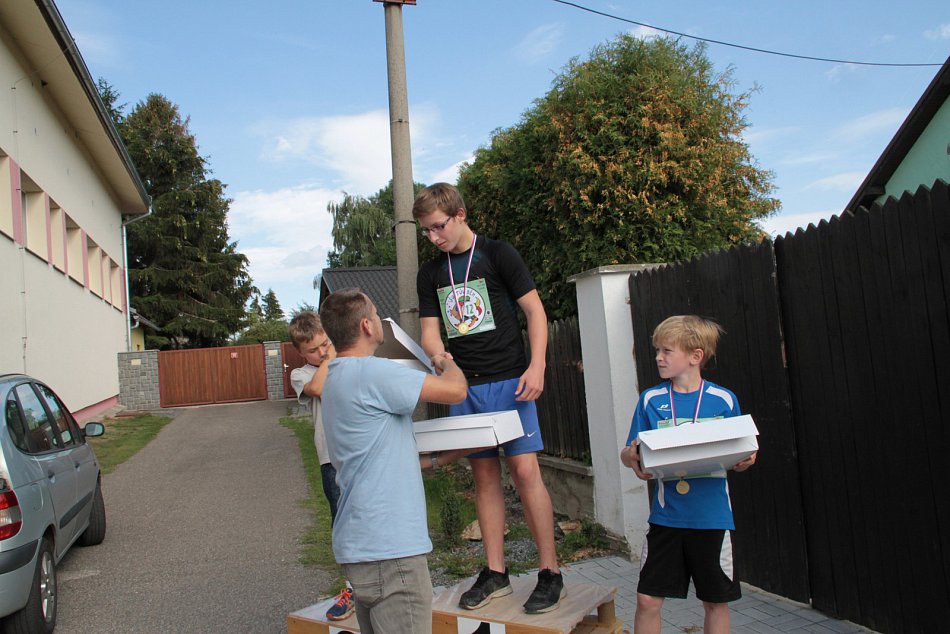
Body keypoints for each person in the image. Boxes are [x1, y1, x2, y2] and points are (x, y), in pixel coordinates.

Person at [413, 183, 564, 614]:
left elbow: (535, 311)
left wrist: (537, 366)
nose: (433, 237)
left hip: (511, 382)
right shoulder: (430, 273)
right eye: (426, 231)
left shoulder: (498, 254)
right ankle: (496, 572)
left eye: (438, 227)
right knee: (484, 476)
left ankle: (550, 572)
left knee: (525, 470)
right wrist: (438, 356)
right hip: (465, 387)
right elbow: (430, 332)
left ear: (459, 214)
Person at [318, 289, 469, 634]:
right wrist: (445, 361)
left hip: (360, 546)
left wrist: (439, 460)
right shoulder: (373, 373)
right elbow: (456, 391)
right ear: (366, 326)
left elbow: (371, 458)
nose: (380, 319)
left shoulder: (335, 378)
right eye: (376, 313)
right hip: (391, 552)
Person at [620, 315, 757, 634]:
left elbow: (745, 448)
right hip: (667, 518)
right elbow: (629, 451)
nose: (658, 357)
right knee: (647, 600)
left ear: (695, 356)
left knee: (715, 602)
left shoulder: (723, 400)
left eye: (667, 351)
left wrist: (748, 459)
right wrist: (631, 457)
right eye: (657, 350)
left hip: (712, 518)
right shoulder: (651, 399)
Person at [287, 312, 354, 621]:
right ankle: (352, 588)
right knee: (342, 524)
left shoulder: (347, 362)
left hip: (359, 455)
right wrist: (331, 355)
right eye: (313, 350)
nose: (321, 352)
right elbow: (317, 389)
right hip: (331, 461)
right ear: (301, 353)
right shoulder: (301, 374)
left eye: (325, 343)